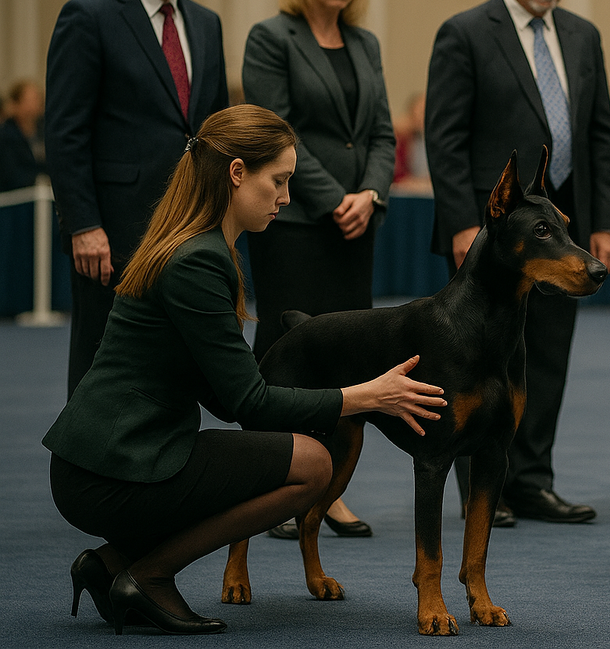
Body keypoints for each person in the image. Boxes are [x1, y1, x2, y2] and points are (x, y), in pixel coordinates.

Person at [42, 105, 445, 636]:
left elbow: (226, 391)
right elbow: (247, 404)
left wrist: (301, 383)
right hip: (110, 472)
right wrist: (364, 396)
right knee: (312, 466)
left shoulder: (197, 243)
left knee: (289, 455)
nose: (285, 196)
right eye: (278, 181)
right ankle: (150, 575)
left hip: (107, 460)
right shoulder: (201, 259)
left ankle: (113, 563)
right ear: (236, 173)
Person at [425, 0, 610, 525]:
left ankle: (531, 479)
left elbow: (600, 139)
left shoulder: (584, 36)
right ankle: (483, 488)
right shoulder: (464, 33)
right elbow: (445, 138)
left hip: (561, 236)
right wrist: (464, 223)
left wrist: (604, 223)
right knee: (477, 362)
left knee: (548, 360)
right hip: (494, 240)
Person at [241, 0, 396, 539]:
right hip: (295, 221)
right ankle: (273, 485)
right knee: (287, 357)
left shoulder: (365, 43)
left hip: (355, 226)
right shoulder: (270, 37)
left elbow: (382, 133)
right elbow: (277, 133)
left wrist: (371, 193)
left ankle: (329, 491)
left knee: (347, 357)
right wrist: (335, 197)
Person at [44, 0, 229, 397]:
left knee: (173, 364)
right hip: (112, 235)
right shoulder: (89, 15)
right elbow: (65, 132)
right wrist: (84, 225)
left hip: (186, 230)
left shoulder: (207, 25)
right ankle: (85, 469)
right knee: (101, 365)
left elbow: (212, 132)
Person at [0, 79, 45, 191]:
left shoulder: (43, 131)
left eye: (37, 99)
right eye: (29, 100)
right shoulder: (6, 136)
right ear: (16, 104)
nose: (35, 104)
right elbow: (10, 174)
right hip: (17, 199)